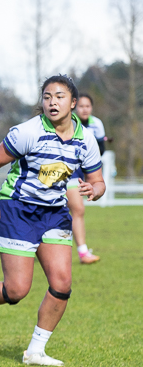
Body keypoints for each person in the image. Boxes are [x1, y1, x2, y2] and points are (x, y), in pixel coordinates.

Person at [0, 75, 105, 366]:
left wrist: (93, 189)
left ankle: (35, 351)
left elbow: (98, 181)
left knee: (62, 285)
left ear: (73, 103)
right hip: (17, 209)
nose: (52, 102)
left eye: (59, 96)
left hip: (55, 213)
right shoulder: (27, 132)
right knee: (16, 290)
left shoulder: (86, 139)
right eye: (47, 97)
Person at [67, 93, 107, 264]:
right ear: (75, 107)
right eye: (81, 106)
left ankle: (38, 245)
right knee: (78, 209)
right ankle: (83, 253)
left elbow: (101, 150)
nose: (84, 109)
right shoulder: (67, 121)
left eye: (87, 106)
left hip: (80, 174)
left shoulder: (97, 124)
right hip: (66, 172)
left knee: (74, 211)